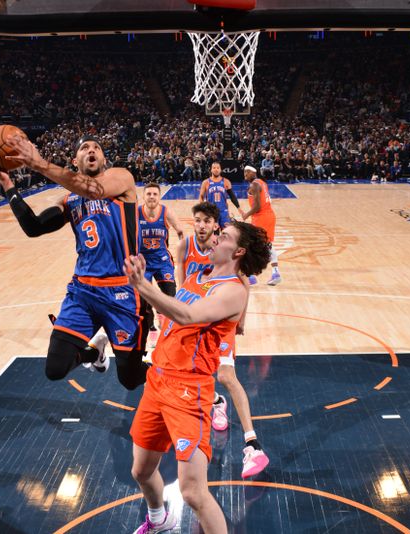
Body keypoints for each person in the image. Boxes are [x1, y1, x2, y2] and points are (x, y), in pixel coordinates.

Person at [125, 220, 271, 534]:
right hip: (158, 382)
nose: (216, 237)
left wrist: (143, 286)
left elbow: (188, 315)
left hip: (188, 391)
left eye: (225, 236)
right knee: (141, 470)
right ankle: (159, 519)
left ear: (239, 250)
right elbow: (175, 314)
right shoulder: (196, 275)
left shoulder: (233, 290)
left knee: (192, 492)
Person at [0, 134, 152, 390]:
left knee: (130, 379)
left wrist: (39, 163)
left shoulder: (122, 180)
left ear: (104, 159)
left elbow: (91, 189)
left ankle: (176, 376)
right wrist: (8, 185)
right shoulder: (69, 200)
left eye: (96, 148)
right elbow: (34, 227)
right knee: (55, 369)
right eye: (84, 148)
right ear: (75, 161)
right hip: (83, 292)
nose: (91, 150)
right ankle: (93, 353)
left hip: (123, 291)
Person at [176, 201, 270, 479]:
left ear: (215, 225)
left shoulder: (226, 253)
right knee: (190, 375)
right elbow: (183, 285)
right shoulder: (186, 247)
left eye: (208, 221)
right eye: (198, 220)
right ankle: (216, 402)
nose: (203, 226)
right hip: (195, 320)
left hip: (218, 320)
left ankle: (252, 442)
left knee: (227, 375)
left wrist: (240, 317)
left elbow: (242, 282)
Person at [139, 182, 184, 345]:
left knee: (170, 296)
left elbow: (180, 230)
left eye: (154, 194)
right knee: (143, 301)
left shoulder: (166, 212)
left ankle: (163, 319)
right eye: (148, 194)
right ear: (143, 196)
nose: (151, 196)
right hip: (142, 262)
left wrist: (182, 247)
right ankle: (151, 330)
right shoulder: (136, 213)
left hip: (162, 260)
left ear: (159, 196)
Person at [240, 165, 281, 286]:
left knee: (250, 246)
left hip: (261, 218)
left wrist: (246, 215)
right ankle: (275, 273)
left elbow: (257, 206)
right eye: (244, 173)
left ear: (253, 172)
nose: (245, 175)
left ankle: (251, 277)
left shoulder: (254, 185)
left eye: (247, 173)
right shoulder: (262, 182)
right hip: (269, 216)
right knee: (267, 245)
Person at [198, 161, 244, 228]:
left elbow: (232, 196)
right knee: (214, 234)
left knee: (226, 232)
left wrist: (239, 209)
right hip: (211, 212)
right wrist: (203, 209)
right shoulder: (206, 182)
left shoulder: (226, 181)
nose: (216, 169)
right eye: (214, 168)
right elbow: (201, 196)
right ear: (211, 170)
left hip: (223, 212)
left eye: (218, 168)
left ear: (220, 169)